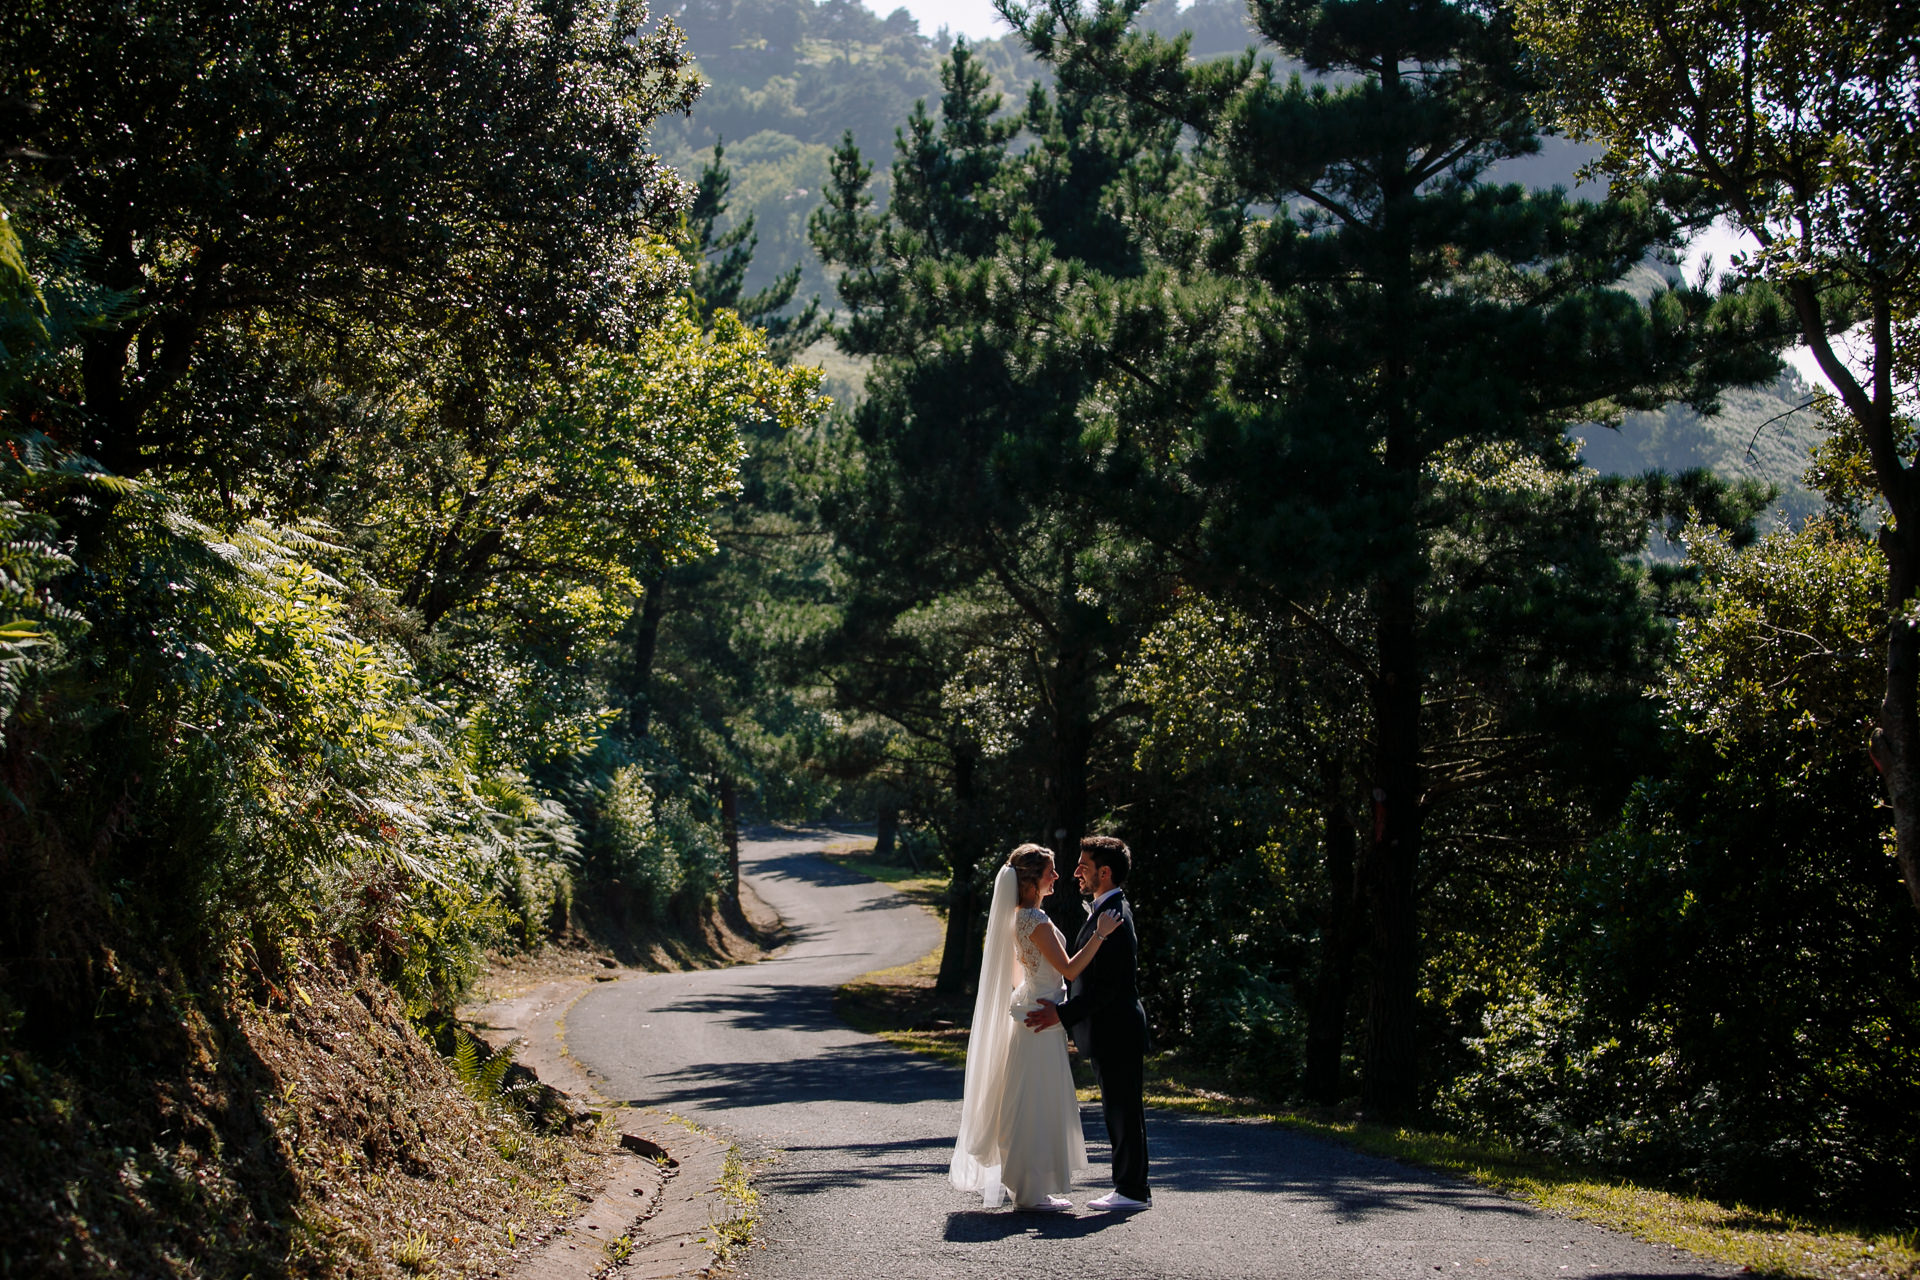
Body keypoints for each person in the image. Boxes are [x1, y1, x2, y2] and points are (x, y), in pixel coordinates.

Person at [950, 844, 1120, 1210]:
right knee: (1034, 1101)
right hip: (1040, 1020)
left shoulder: (1020, 918)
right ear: (1031, 880)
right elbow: (1071, 970)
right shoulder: (1034, 921)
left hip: (1035, 1013)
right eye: (1050, 872)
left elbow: (1018, 975)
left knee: (1029, 1099)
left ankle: (1029, 1187)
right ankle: (1030, 1191)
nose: (1057, 877)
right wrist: (1100, 935)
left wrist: (1036, 992)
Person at [1025, 835, 1152, 1211]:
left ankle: (1131, 1191)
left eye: (1084, 865)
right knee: (1119, 1108)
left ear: (1105, 872)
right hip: (1110, 1029)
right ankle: (1130, 1188)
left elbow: (1108, 988)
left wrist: (1061, 1014)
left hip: (1118, 1028)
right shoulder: (1105, 911)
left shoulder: (1114, 915)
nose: (1077, 872)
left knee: (1123, 1110)